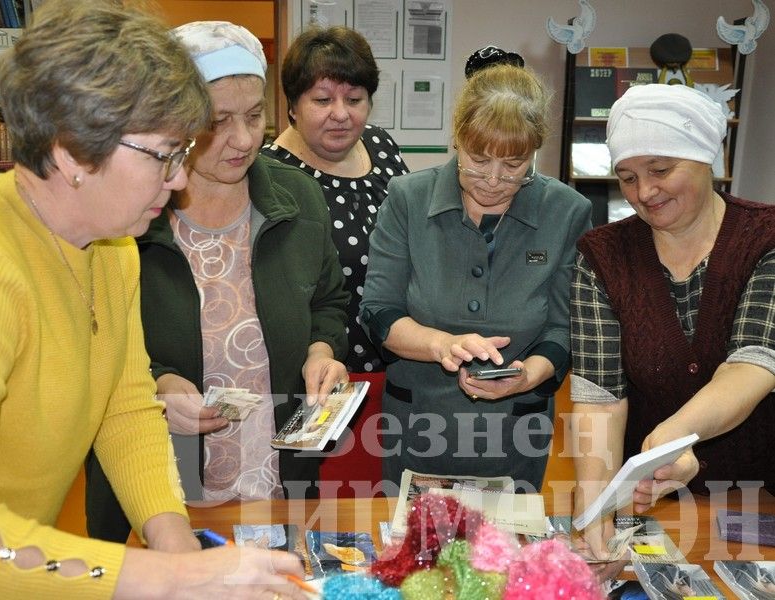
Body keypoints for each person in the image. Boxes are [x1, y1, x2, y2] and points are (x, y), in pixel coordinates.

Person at [0, 3, 308, 598]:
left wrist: (178, 546)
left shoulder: (112, 245)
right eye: (164, 154)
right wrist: (169, 577)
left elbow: (126, 409)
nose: (179, 179)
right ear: (70, 152)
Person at [84, 20, 351, 542]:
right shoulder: (129, 212)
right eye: (218, 121)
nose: (245, 138)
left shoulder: (297, 198)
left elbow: (328, 301)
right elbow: (96, 342)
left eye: (255, 116)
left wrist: (321, 352)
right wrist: (160, 382)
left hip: (276, 466)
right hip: (163, 466)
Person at [359, 63, 592, 489]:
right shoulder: (408, 199)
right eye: (478, 159)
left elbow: (564, 328)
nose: (493, 179)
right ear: (457, 138)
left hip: (515, 432)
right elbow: (379, 312)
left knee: (505, 550)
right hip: (418, 424)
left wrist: (528, 376)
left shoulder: (567, 211)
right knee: (415, 548)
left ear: (535, 151)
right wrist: (441, 344)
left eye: (513, 163)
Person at [571, 84, 775, 558]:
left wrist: (670, 437)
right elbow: (600, 397)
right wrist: (595, 507)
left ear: (708, 159)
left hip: (758, 497)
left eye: (661, 170)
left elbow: (753, 365)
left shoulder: (764, 238)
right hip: (651, 499)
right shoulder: (602, 255)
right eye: (626, 177)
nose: (644, 192)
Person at [261, 26, 409, 493]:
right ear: (292, 104)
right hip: (317, 380)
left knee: (386, 509)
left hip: (398, 370)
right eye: (322, 100)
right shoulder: (270, 175)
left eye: (356, 98)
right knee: (327, 512)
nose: (341, 115)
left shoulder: (383, 150)